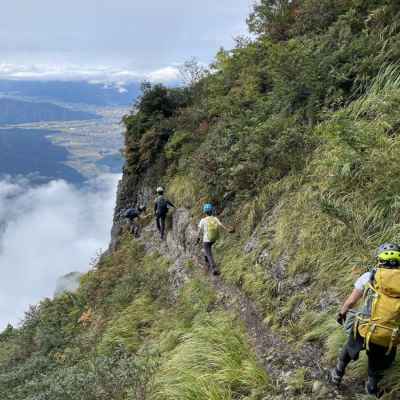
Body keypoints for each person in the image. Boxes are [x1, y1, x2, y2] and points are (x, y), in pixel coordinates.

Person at [331, 243, 400, 396]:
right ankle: (371, 390)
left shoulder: (369, 276)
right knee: (376, 367)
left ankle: (337, 374)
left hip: (364, 328)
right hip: (388, 336)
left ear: (380, 260)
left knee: (348, 349)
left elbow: (350, 302)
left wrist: (341, 314)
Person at [197, 203, 233, 276]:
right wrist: (228, 230)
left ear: (204, 212)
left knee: (208, 253)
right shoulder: (215, 218)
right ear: (212, 211)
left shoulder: (203, 220)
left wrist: (197, 238)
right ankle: (207, 263)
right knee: (205, 250)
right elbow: (222, 225)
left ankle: (214, 268)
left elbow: (199, 231)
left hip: (207, 240)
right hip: (214, 238)